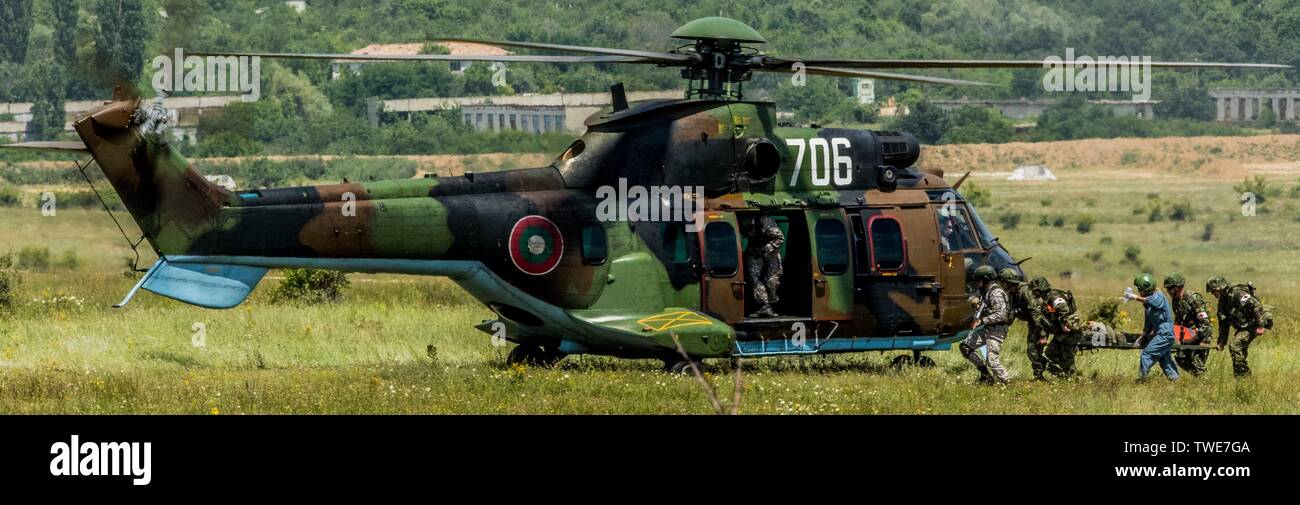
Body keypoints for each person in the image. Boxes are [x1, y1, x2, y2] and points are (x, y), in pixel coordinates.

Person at [1206, 276, 1272, 377]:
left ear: (1219, 288)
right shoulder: (1222, 302)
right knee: (1240, 351)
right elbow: (1223, 323)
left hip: (1253, 324)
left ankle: (1242, 374)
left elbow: (1256, 306)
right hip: (1243, 327)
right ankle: (1244, 377)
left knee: (1235, 346)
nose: (1212, 294)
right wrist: (1222, 341)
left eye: (1213, 291)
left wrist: (1260, 326)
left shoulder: (1237, 293)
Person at [960, 265, 1011, 384]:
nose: (976, 283)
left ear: (986, 280)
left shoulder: (996, 293)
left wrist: (982, 320)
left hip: (997, 330)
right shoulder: (984, 291)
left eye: (978, 280)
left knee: (992, 361)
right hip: (988, 329)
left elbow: (1001, 314)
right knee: (966, 347)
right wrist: (974, 301)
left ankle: (1007, 383)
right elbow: (973, 297)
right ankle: (986, 375)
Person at [1128, 273, 1179, 381]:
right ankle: (1175, 380)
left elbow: (1153, 301)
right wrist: (1141, 338)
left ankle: (1142, 379)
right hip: (1161, 333)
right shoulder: (1148, 304)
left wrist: (1135, 298)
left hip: (1165, 332)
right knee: (1165, 359)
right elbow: (1148, 324)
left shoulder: (1158, 296)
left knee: (1146, 354)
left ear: (1146, 288)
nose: (1138, 291)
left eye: (1140, 289)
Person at [1029, 277, 1083, 378]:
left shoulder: (1053, 296)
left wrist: (1063, 323)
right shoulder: (1046, 298)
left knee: (1066, 355)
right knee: (1050, 353)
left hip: (1070, 331)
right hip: (1063, 333)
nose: (1033, 293)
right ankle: (1066, 374)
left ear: (1040, 289)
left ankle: (1072, 377)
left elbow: (1063, 308)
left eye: (1034, 291)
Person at [1002, 269, 1048, 380]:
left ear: (1009, 282)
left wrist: (1042, 334)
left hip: (1039, 323)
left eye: (1003, 282)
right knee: (1034, 351)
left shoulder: (1025, 291)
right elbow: (1012, 312)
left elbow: (1035, 313)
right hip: (1033, 323)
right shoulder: (1012, 293)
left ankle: (1044, 373)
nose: (1001, 284)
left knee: (1032, 351)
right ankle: (1041, 373)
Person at [1164, 273, 1213, 376]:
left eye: (1169, 288)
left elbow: (1205, 322)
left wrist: (1200, 339)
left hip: (1200, 336)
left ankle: (1205, 382)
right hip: (1187, 336)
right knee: (1180, 358)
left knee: (1197, 363)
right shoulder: (1176, 301)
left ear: (1177, 287)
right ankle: (1200, 380)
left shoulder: (1193, 298)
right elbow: (1178, 321)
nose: (1167, 291)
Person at [745, 215, 784, 318]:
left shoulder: (764, 221)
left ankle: (771, 304)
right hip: (755, 251)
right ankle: (764, 306)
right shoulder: (743, 221)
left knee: (771, 280)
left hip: (771, 253)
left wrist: (767, 248)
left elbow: (780, 238)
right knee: (754, 278)